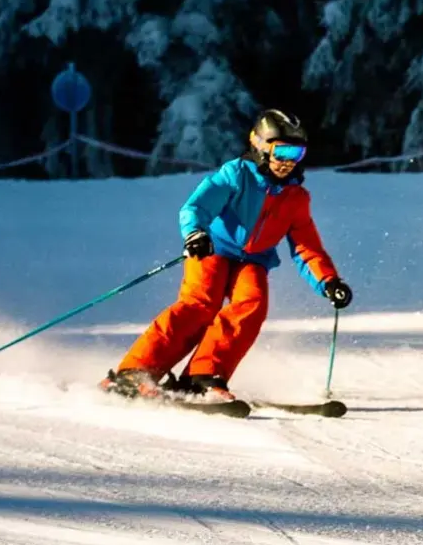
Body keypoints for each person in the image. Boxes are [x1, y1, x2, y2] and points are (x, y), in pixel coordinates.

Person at [99, 109, 353, 402]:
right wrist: (196, 233)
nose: (288, 161)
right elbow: (197, 207)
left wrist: (329, 281)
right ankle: (136, 371)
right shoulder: (235, 175)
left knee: (252, 304)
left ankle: (202, 376)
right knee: (200, 305)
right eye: (282, 151)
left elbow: (307, 247)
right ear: (260, 146)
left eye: (297, 153)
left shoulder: (296, 197)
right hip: (212, 249)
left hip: (254, 260)